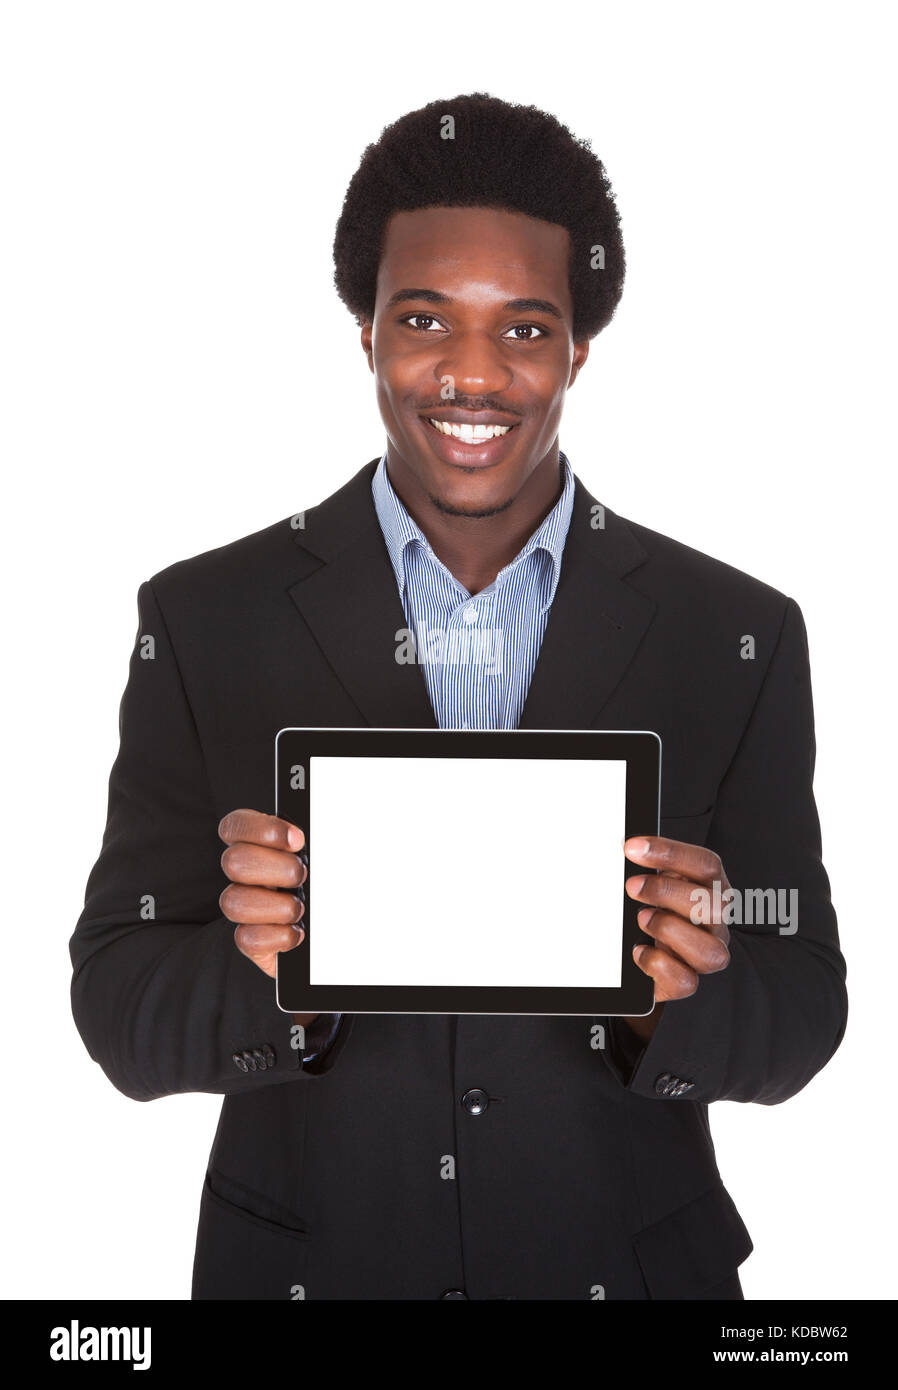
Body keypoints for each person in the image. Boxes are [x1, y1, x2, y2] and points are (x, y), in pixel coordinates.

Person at [69, 92, 847, 1301]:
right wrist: (267, 968)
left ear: (579, 348)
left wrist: (679, 989)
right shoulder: (204, 618)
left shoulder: (732, 632)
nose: (472, 374)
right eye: (424, 317)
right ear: (366, 334)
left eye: (525, 328)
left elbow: (801, 1010)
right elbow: (116, 1007)